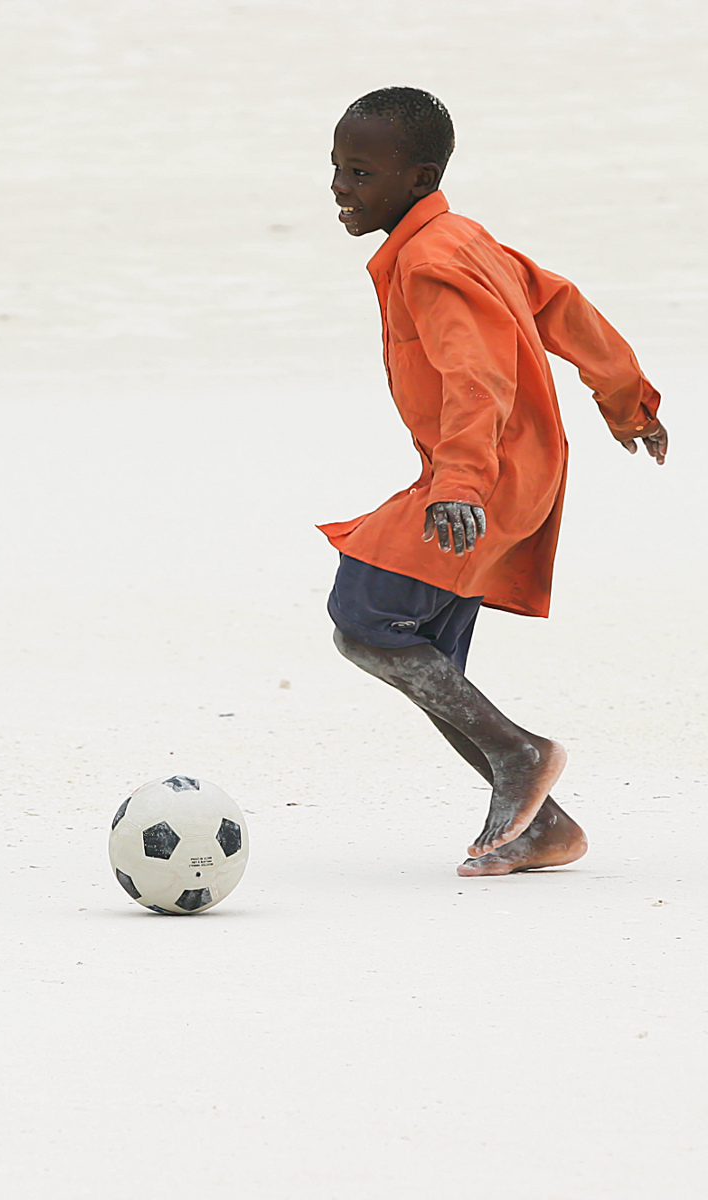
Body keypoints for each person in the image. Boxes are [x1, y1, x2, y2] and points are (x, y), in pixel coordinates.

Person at [319, 86, 667, 877]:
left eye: (361, 171)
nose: (339, 186)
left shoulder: (430, 259)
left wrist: (460, 484)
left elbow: (473, 378)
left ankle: (521, 754)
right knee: (429, 653)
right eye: (336, 166)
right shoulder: (459, 236)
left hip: (484, 478)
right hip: (505, 472)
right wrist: (629, 401)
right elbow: (561, 305)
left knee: (365, 613)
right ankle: (542, 827)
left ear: (419, 177)